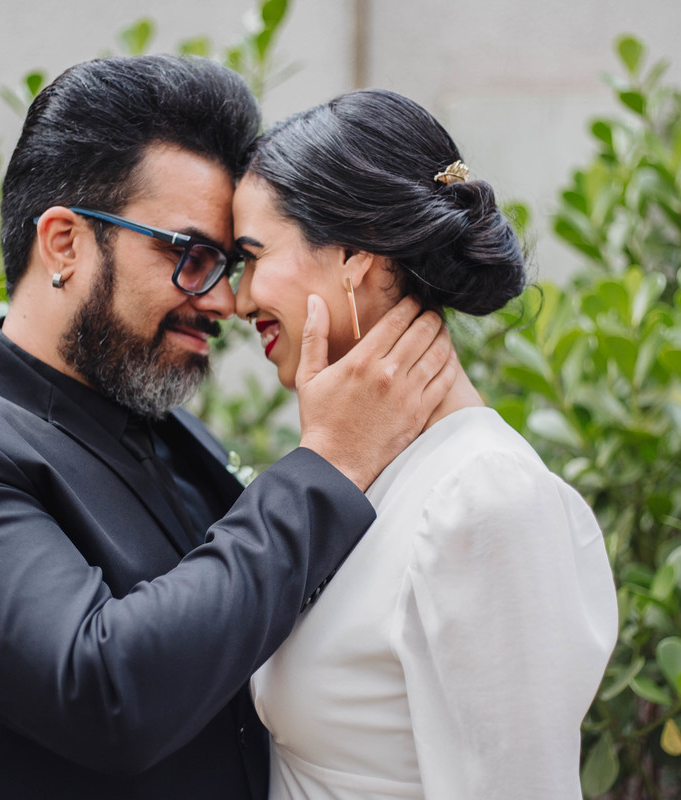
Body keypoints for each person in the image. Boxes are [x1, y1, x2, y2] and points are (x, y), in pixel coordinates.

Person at [0, 58, 457, 800]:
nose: (225, 302)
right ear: (64, 243)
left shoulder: (178, 438)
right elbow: (104, 693)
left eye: (230, 264)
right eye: (190, 256)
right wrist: (331, 464)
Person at [232, 89, 619, 799]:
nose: (238, 298)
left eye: (253, 258)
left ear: (355, 254)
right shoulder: (358, 471)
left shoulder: (484, 499)